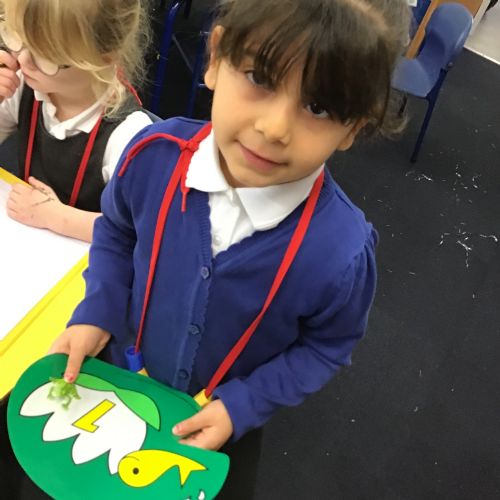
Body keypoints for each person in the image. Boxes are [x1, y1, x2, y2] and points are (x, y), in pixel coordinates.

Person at [50, 0, 411, 496]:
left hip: (219, 426)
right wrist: (99, 309)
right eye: (261, 77)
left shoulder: (341, 254)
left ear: (353, 126)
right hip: (114, 385)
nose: (274, 128)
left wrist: (245, 405)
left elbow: (327, 346)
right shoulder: (151, 156)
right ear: (217, 57)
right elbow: (117, 230)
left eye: (318, 107)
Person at [0, 0, 152, 242]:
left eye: (45, 56)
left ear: (103, 58)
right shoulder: (25, 86)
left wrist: (55, 217)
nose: (23, 60)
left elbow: (140, 231)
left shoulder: (127, 135)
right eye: (18, 38)